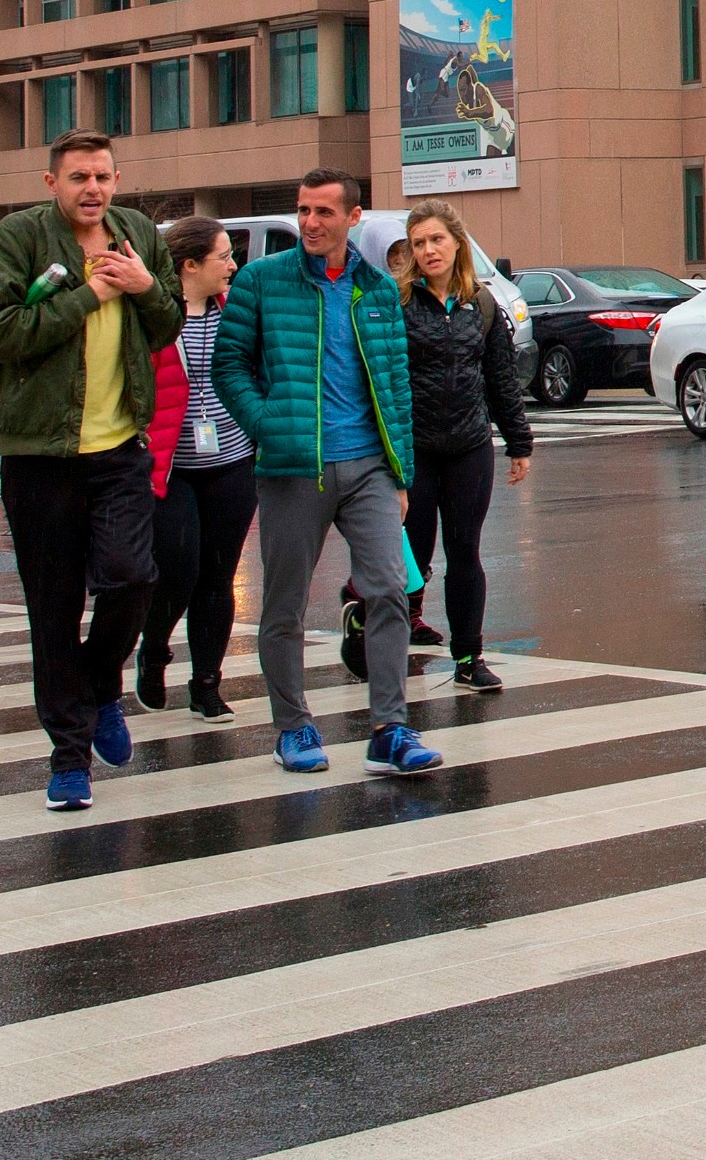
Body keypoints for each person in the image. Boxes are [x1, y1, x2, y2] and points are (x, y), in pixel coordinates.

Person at [0, 129, 183, 811]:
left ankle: (97, 690)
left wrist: (146, 287)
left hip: (120, 446)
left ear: (116, 181)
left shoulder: (139, 236)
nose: (91, 188)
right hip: (39, 454)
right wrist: (89, 296)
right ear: (51, 183)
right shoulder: (19, 239)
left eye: (102, 176)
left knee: (131, 579)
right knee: (54, 608)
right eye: (78, 177)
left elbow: (167, 322)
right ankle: (69, 758)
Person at [215, 169, 440, 779]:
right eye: (303, 211)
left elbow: (396, 387)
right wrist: (268, 423)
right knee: (285, 605)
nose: (310, 223)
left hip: (369, 464)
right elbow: (228, 365)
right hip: (294, 467)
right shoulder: (263, 280)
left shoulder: (376, 289)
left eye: (323, 212)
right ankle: (292, 726)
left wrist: (401, 476)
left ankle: (390, 728)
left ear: (353, 217)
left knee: (390, 589)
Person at [393, 200, 533, 694]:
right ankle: (376, 627)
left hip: (469, 445)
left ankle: (469, 657)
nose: (428, 250)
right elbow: (384, 381)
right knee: (411, 552)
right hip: (415, 449)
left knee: (465, 552)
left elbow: (501, 379)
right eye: (419, 243)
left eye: (436, 240)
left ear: (457, 243)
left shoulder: (484, 304)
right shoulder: (399, 304)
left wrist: (519, 442)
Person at [134, 218, 257, 723]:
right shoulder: (154, 317)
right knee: (177, 571)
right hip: (171, 466)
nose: (233, 265)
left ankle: (206, 682)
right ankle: (154, 648)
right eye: (223, 256)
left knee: (219, 576)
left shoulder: (236, 312)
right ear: (189, 265)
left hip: (232, 461)